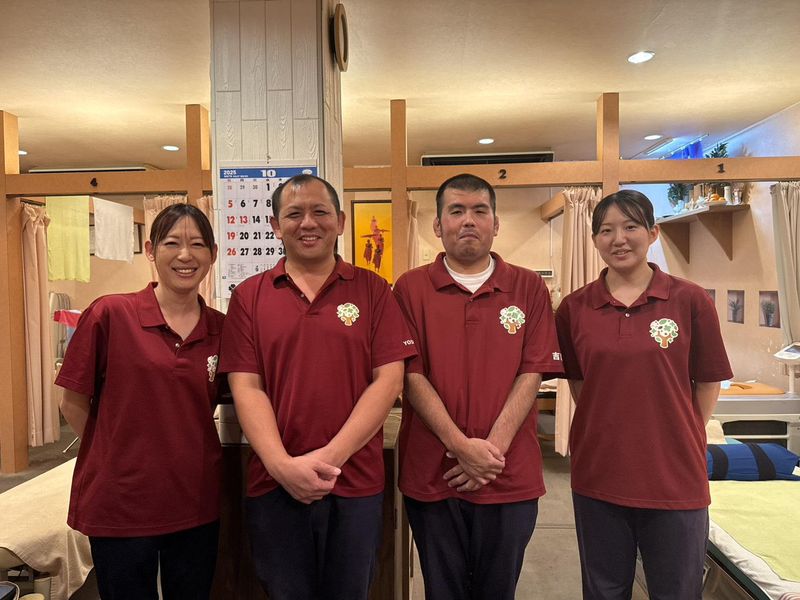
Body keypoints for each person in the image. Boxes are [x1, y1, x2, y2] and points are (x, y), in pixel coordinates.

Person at [219, 174, 416, 600]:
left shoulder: (374, 290)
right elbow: (247, 387)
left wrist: (329, 459)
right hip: (275, 483)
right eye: (294, 214)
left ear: (340, 221)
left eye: (320, 212)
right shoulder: (249, 297)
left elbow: (388, 379)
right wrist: (282, 466)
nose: (308, 223)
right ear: (276, 225)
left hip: (354, 481)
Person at [554, 190, 733, 600]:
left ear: (652, 233)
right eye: (606, 230)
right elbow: (580, 382)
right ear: (594, 240)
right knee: (603, 590)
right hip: (599, 474)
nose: (618, 239)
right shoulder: (574, 309)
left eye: (631, 227)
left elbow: (708, 381)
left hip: (675, 477)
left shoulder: (690, 300)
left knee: (676, 590)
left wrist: (681, 430)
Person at [393, 173, 563, 600]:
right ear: (438, 225)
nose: (468, 220)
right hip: (433, 472)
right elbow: (411, 374)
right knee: (442, 589)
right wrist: (461, 446)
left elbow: (532, 371)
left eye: (479, 211)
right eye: (456, 211)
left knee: (498, 590)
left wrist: (490, 453)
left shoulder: (528, 287)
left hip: (508, 472)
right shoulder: (410, 288)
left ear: (495, 223)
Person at [56, 204, 224, 600]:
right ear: (150, 250)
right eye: (172, 243)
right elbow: (72, 402)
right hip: (121, 501)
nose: (185, 255)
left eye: (198, 244)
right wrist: (116, 454)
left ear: (213, 254)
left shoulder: (221, 328)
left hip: (195, 498)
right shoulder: (111, 314)